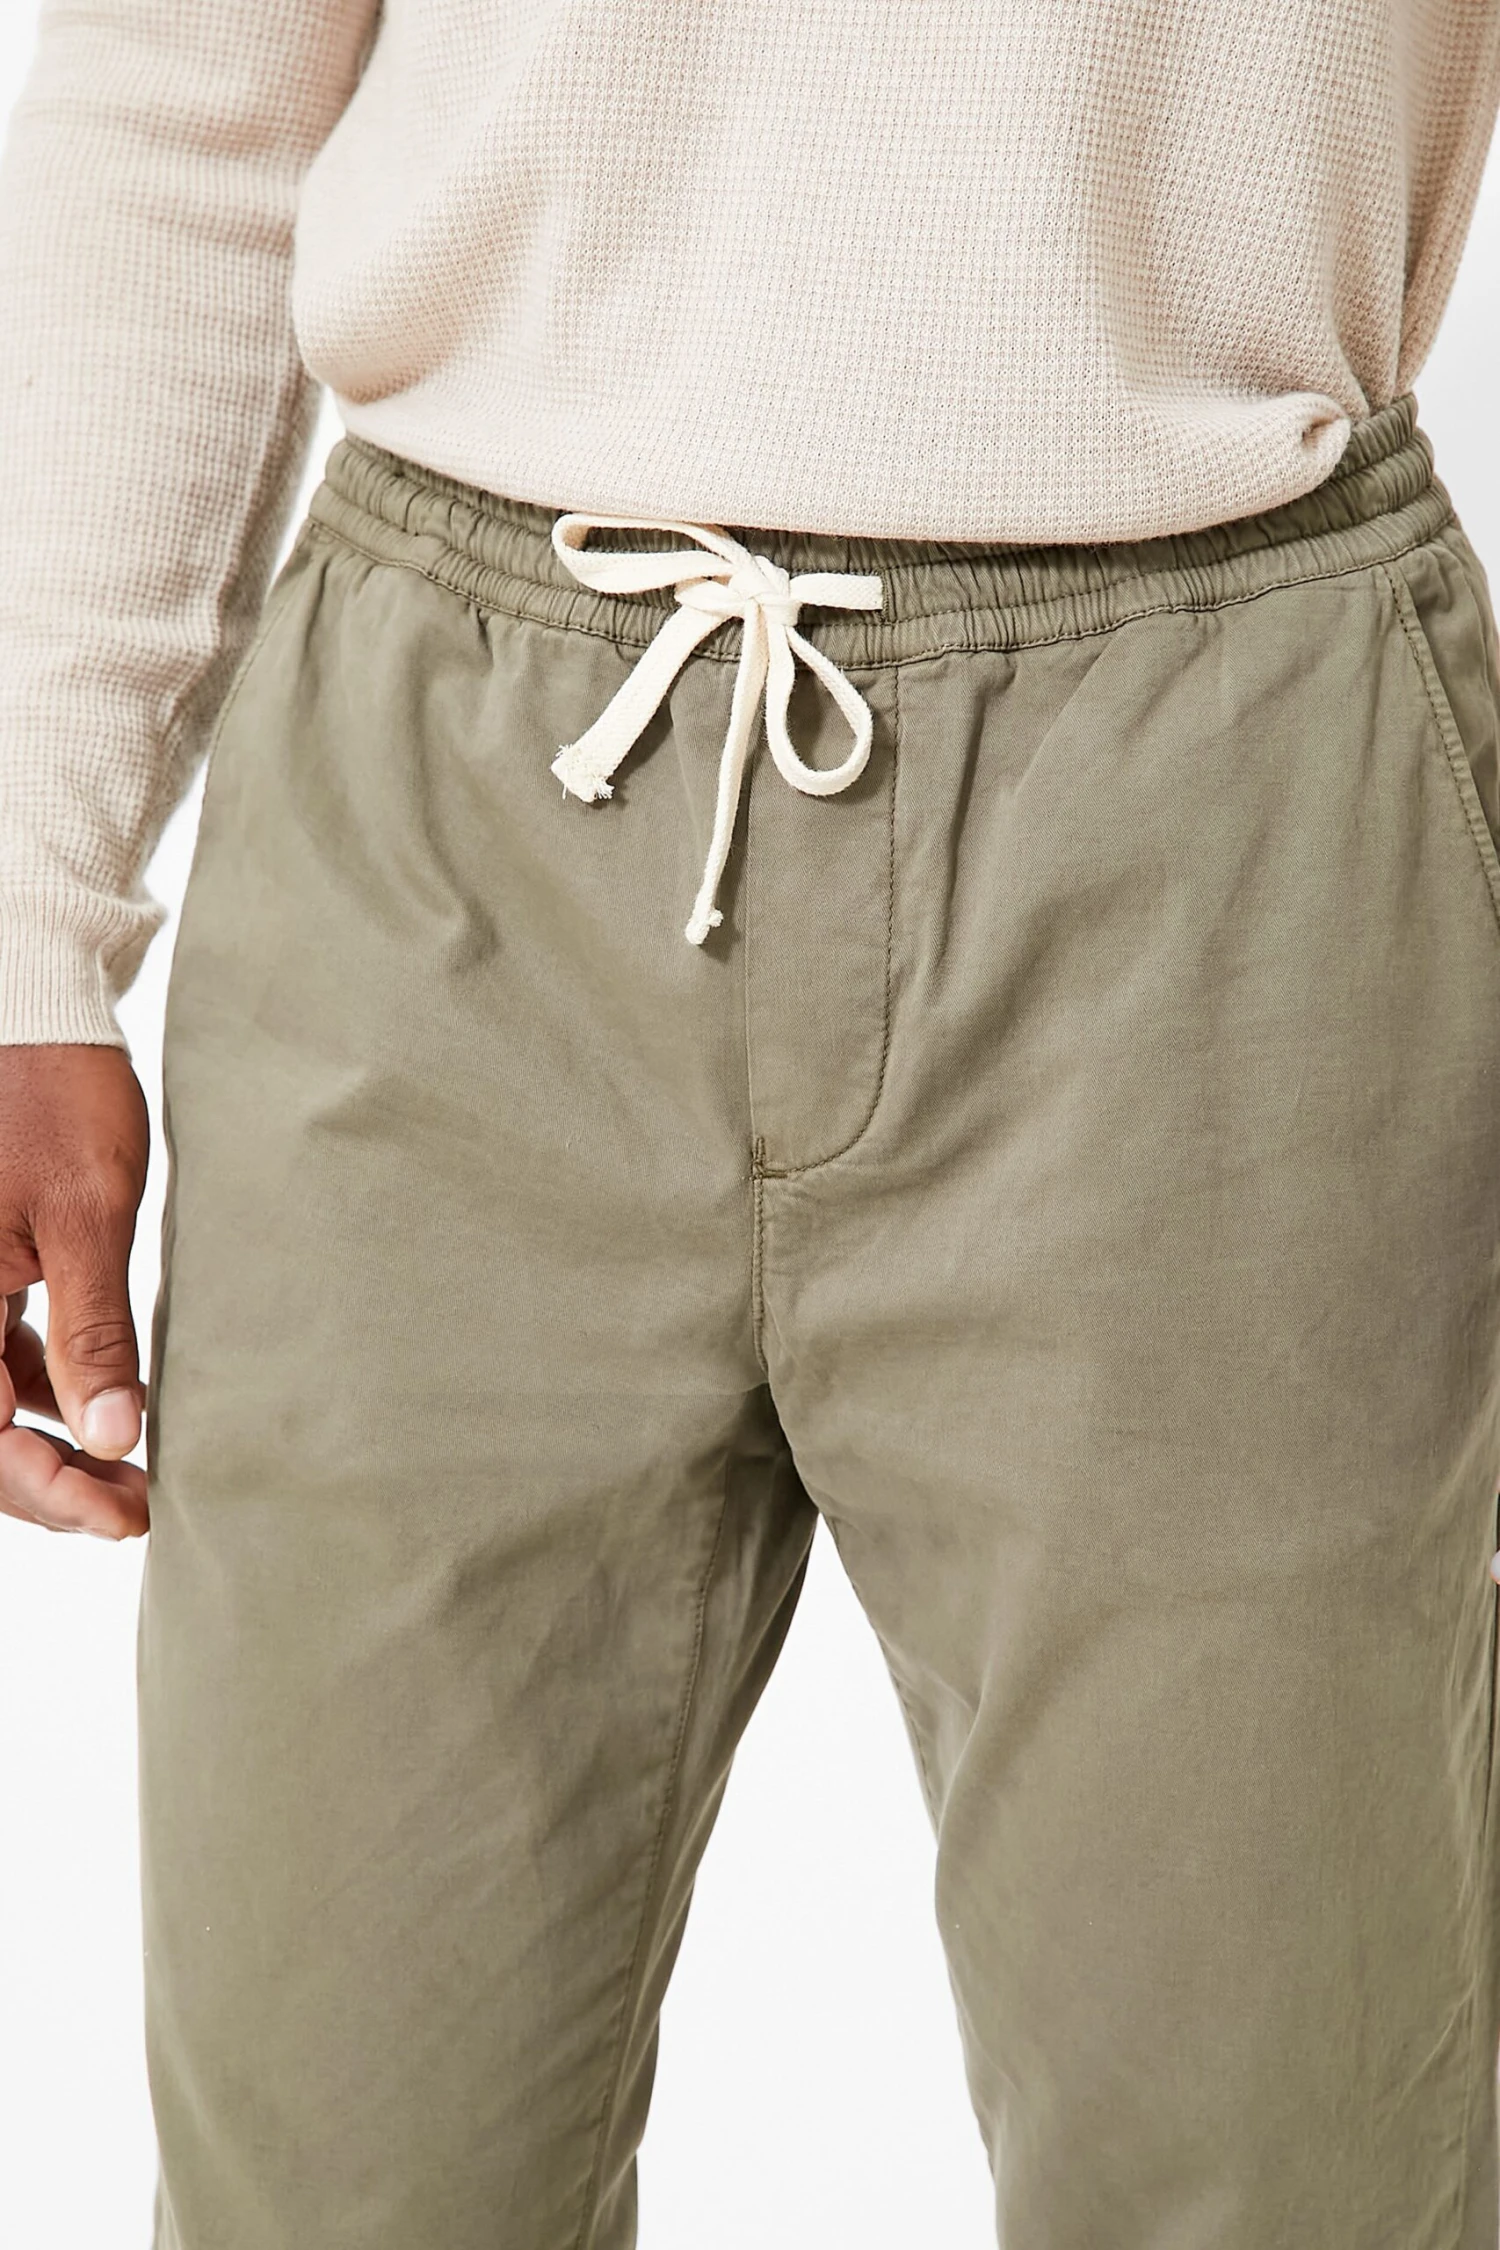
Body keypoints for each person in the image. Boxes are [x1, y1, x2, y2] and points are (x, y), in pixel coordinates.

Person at [3, 3, 1500, 2244]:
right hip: (448, 818)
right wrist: (25, 917)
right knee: (339, 2172)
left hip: (1220, 796)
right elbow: (187, 91)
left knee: (1287, 2154)